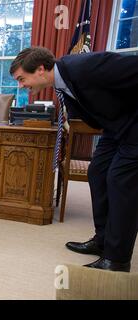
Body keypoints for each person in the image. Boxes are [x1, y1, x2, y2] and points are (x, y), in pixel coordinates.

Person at [10, 47, 138, 272]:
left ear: (40, 69)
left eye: (22, 79)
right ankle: (103, 240)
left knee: (120, 180)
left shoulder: (85, 67)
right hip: (115, 127)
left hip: (134, 125)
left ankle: (116, 260)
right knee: (97, 172)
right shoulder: (62, 83)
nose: (21, 85)